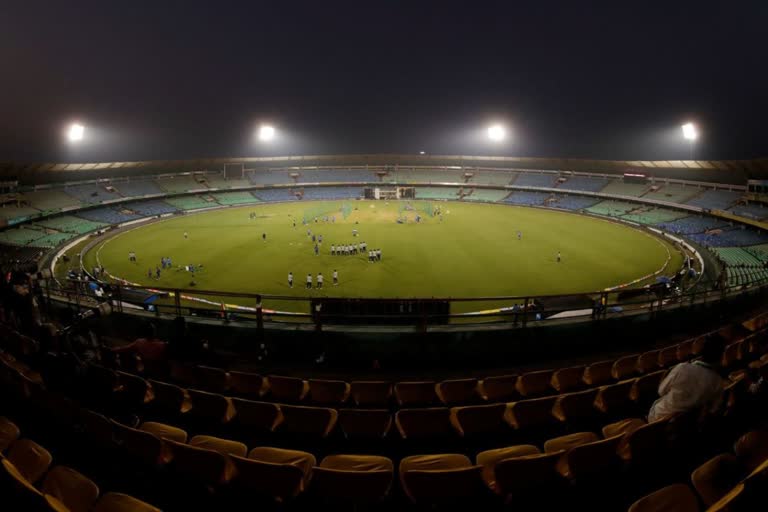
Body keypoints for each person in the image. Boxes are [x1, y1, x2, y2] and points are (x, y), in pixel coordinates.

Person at [648, 333, 726, 422]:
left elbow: (661, 391)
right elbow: (714, 409)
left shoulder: (682, 368)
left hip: (660, 418)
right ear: (721, 356)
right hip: (687, 424)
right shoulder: (717, 382)